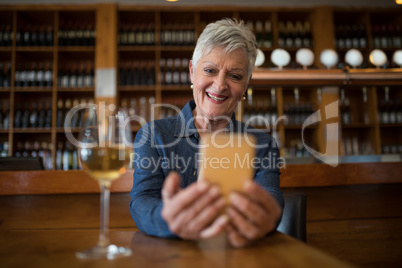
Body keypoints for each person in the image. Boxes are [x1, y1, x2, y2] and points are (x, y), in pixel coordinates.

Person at [129, 18, 283, 248]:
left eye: (235, 76)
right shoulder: (153, 135)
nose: (220, 85)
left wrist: (264, 215)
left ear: (247, 83)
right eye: (210, 70)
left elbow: (271, 198)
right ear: (192, 71)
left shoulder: (262, 143)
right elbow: (142, 201)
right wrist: (169, 218)